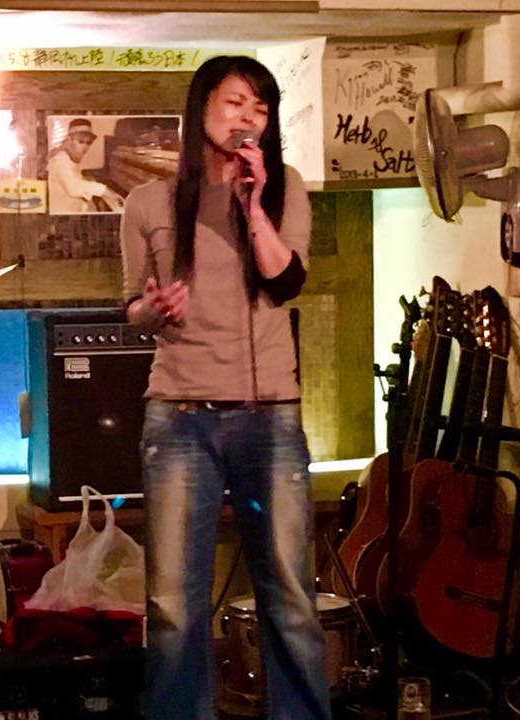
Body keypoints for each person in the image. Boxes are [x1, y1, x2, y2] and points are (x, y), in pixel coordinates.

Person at [120, 55, 331, 720]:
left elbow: (285, 280)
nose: (249, 118)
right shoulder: (147, 202)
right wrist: (154, 309)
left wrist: (253, 202)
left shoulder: (285, 189)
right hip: (180, 416)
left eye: (261, 109)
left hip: (269, 416)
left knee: (290, 595)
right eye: (236, 102)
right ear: (201, 107)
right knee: (174, 604)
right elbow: (132, 307)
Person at [48, 117, 124, 213]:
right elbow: (73, 188)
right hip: (64, 214)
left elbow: (73, 177)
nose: (85, 147)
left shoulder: (70, 156)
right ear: (69, 140)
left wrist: (88, 180)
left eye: (88, 143)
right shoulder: (60, 159)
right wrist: (105, 191)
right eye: (81, 141)